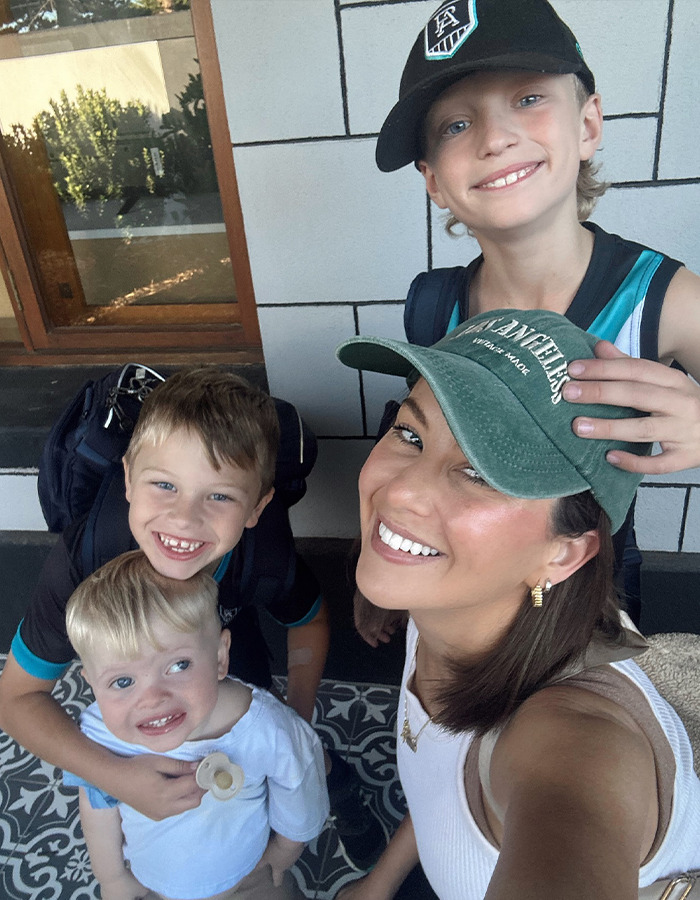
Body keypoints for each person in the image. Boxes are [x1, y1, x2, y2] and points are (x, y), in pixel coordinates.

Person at [334, 308, 700, 900]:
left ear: (563, 554)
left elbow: (569, 816)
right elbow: (443, 786)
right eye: (410, 434)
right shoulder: (446, 605)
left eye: (479, 471)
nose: (399, 491)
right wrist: (379, 884)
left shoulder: (576, 746)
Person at [366, 0, 700, 630]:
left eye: (527, 99)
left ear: (588, 123)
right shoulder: (435, 307)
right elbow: (414, 451)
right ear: (433, 179)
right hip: (458, 584)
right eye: (456, 125)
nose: (495, 138)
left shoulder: (667, 299)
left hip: (585, 584)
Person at [0, 366, 381, 869]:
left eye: (219, 495)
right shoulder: (86, 560)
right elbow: (17, 699)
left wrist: (296, 723)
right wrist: (114, 777)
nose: (184, 519)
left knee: (266, 735)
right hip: (142, 658)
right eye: (164, 485)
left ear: (256, 508)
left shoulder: (259, 556)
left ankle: (335, 779)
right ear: (129, 479)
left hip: (225, 633)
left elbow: (307, 620)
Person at [64, 549, 329, 900]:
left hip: (250, 876)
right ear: (92, 684)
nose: (153, 699)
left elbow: (299, 785)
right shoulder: (100, 733)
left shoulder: (265, 726)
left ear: (220, 657)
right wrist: (111, 876)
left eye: (178, 666)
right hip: (152, 882)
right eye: (123, 682)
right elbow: (97, 805)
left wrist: (286, 849)